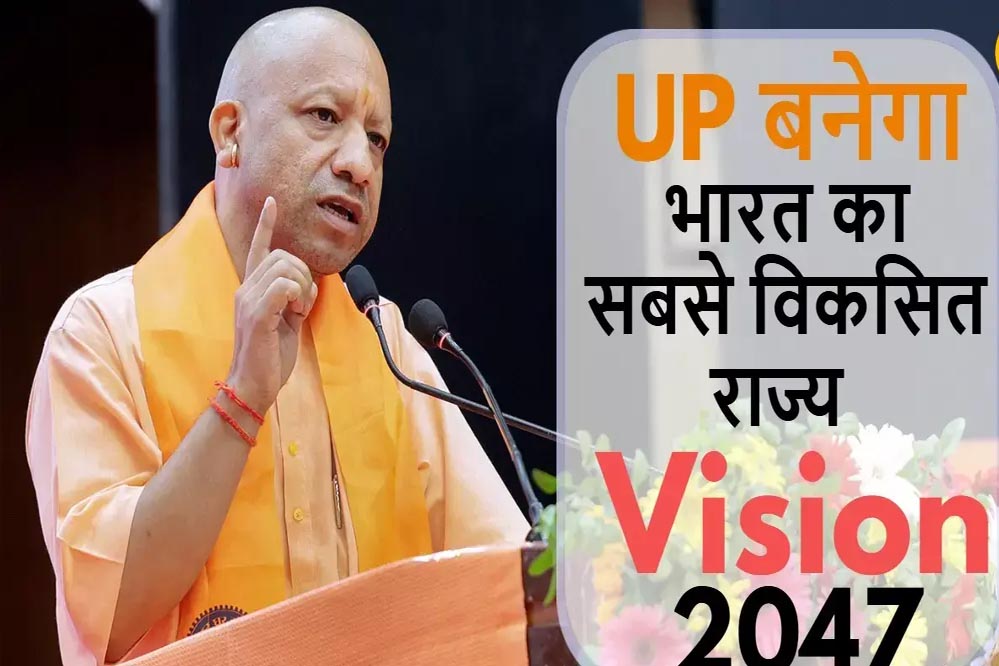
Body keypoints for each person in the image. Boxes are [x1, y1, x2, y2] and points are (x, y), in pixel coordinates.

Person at [25, 7, 528, 665]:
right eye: (324, 116)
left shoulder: (387, 345)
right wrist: (241, 399)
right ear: (230, 132)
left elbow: (504, 588)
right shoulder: (101, 331)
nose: (359, 164)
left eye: (377, 140)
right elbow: (108, 614)